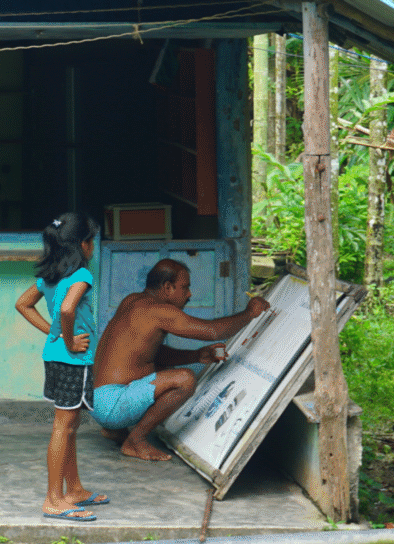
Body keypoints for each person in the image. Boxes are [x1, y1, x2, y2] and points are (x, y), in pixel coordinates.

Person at [92, 258, 271, 462]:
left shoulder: (132, 300)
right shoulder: (160, 311)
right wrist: (250, 313)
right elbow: (213, 332)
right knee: (185, 379)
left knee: (158, 368)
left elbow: (150, 354)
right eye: (185, 287)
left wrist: (195, 355)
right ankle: (136, 440)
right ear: (167, 287)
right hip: (114, 405)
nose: (189, 294)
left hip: (98, 401)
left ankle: (114, 430)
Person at [15, 213, 109, 522]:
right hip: (73, 360)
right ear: (83, 245)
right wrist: (68, 341)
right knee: (63, 427)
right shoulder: (82, 275)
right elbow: (68, 309)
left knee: (69, 426)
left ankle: (75, 489)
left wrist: (52, 334)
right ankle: (53, 499)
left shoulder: (50, 276)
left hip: (53, 358)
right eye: (92, 241)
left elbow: (23, 304)